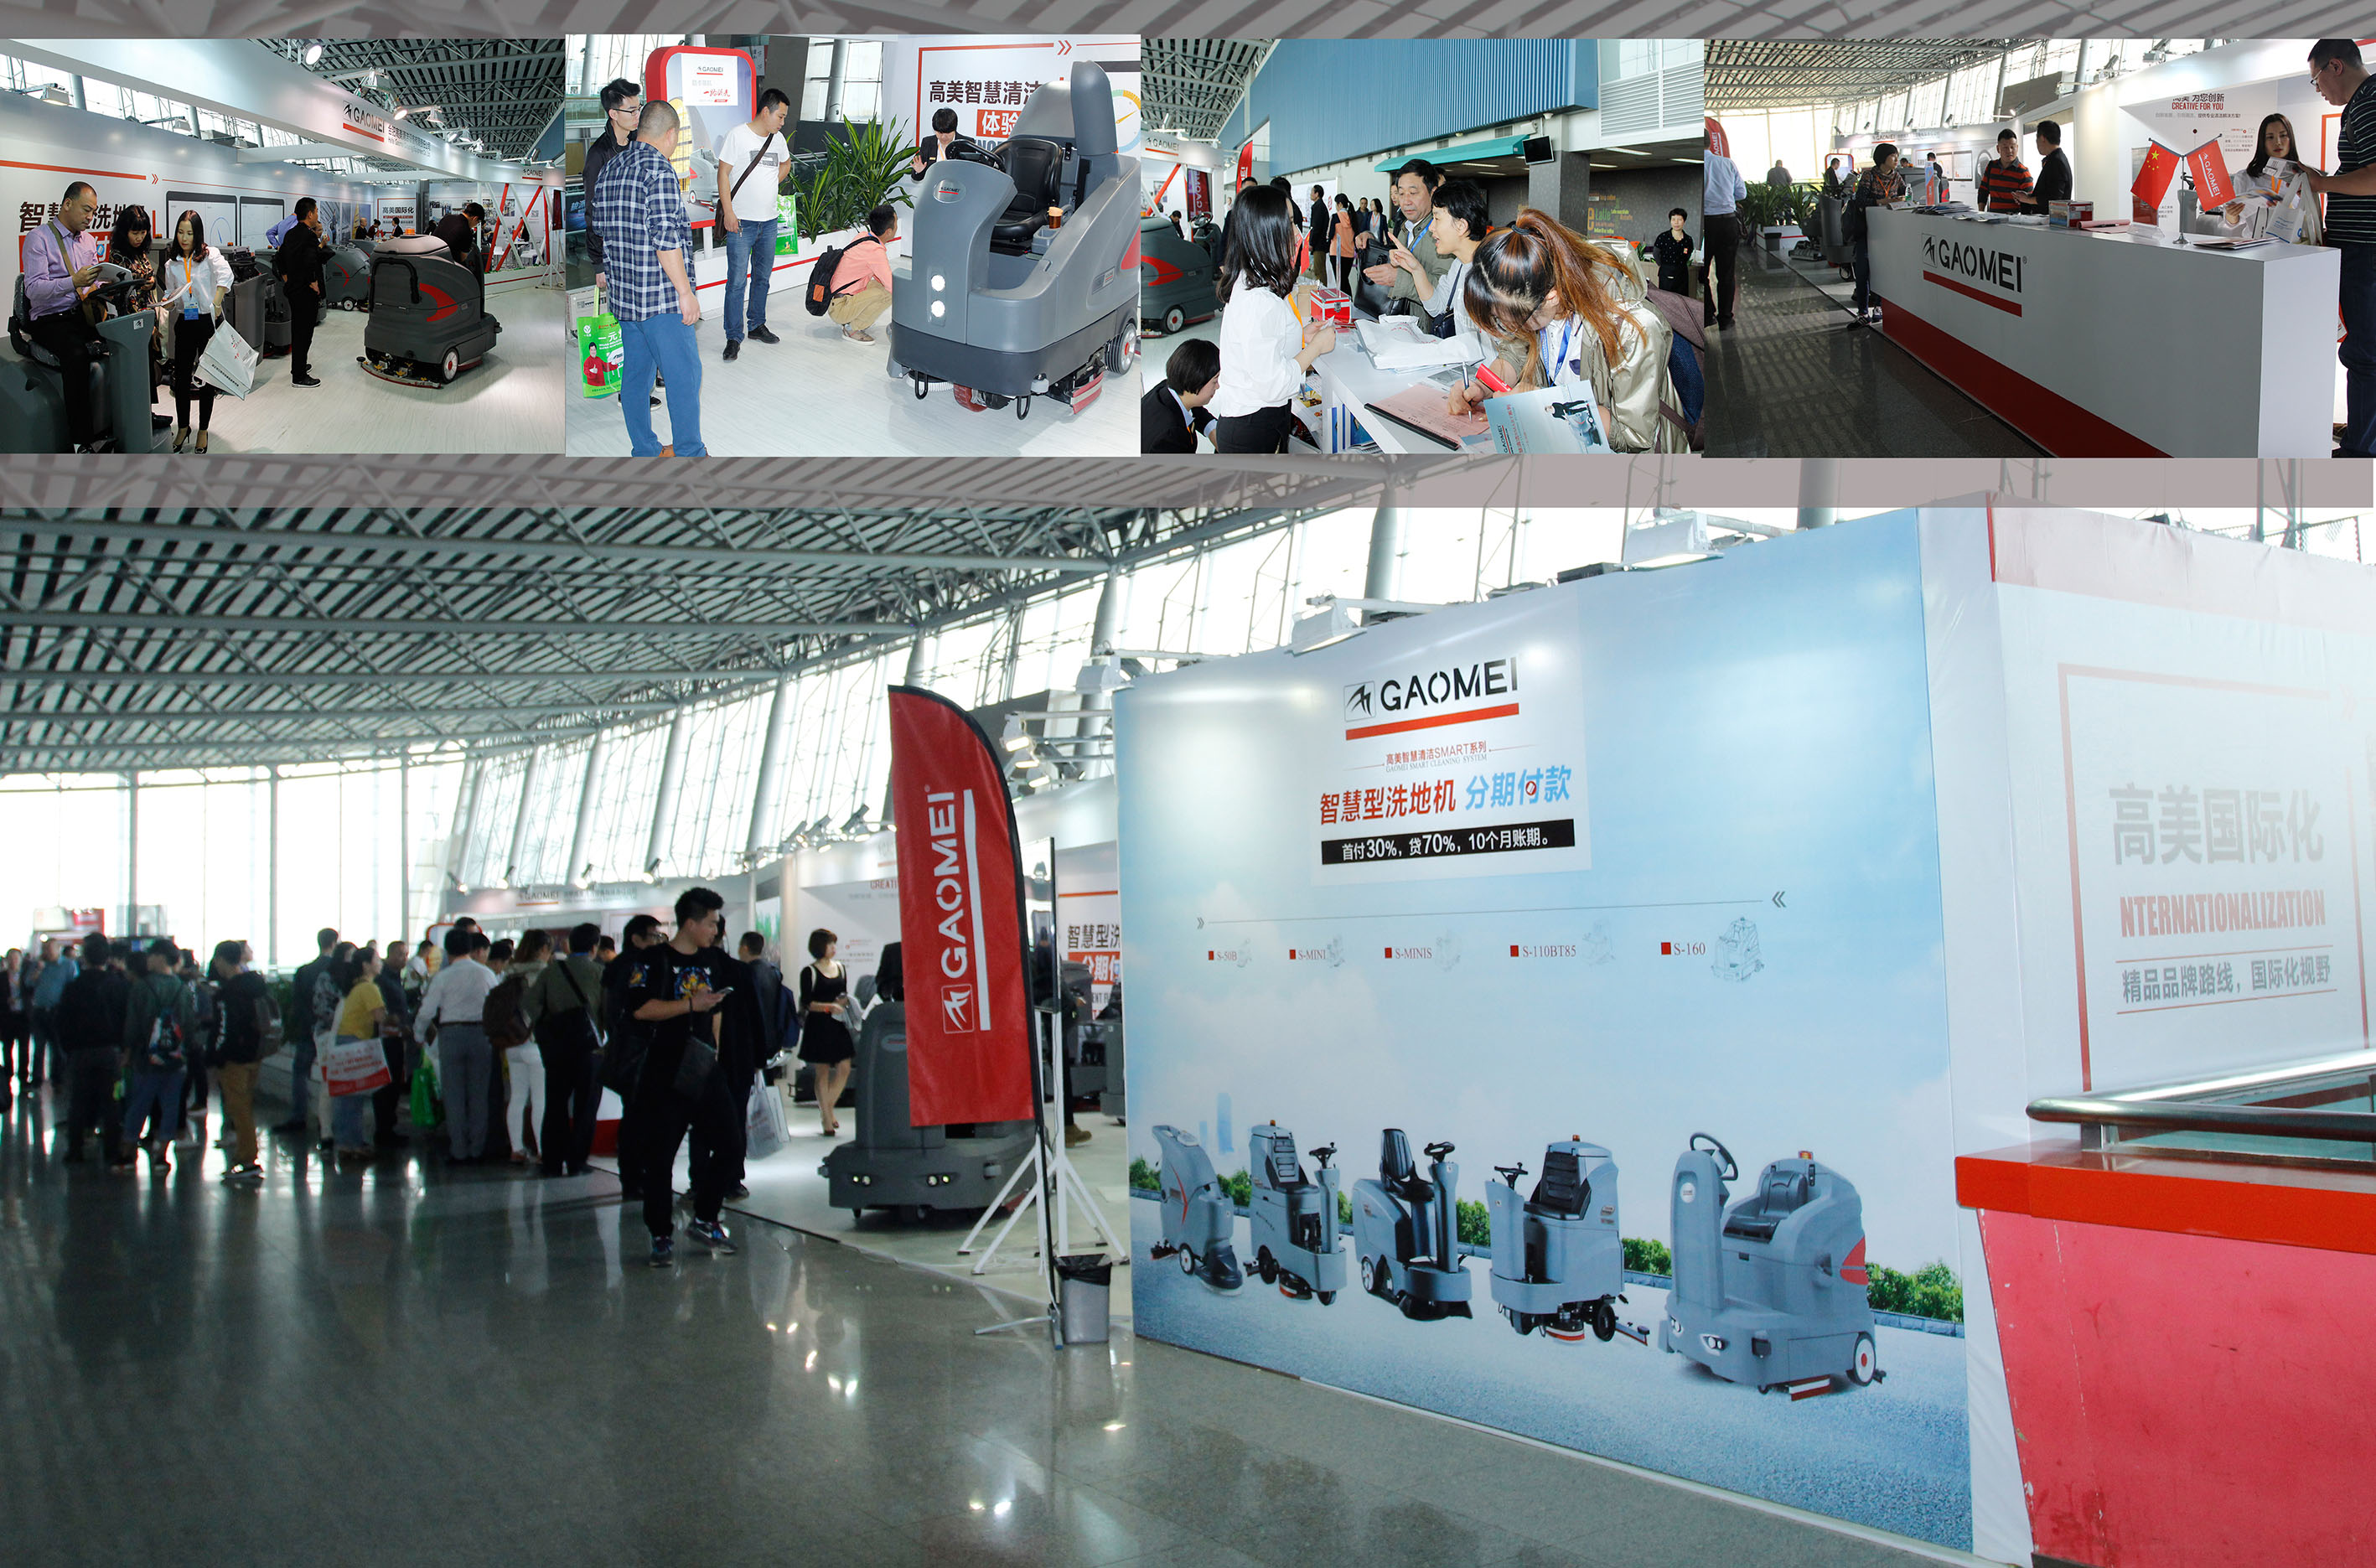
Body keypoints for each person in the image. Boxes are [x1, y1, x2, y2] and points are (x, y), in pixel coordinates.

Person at [1447, 209, 1679, 453]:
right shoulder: (1536, 294)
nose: (1510, 330)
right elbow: (1514, 353)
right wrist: (1482, 387)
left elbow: (1634, 435)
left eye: (1512, 323)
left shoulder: (1634, 328)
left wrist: (1546, 405)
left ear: (1551, 297)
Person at [623, 887, 742, 1266]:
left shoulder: (714, 960)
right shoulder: (652, 960)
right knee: (660, 1156)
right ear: (690, 923)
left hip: (704, 1066)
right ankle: (661, 1234)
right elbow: (641, 1010)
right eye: (711, 923)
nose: (716, 930)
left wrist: (715, 1049)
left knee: (731, 1144)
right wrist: (691, 1004)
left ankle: (705, 1217)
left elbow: (717, 1009)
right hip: (664, 1067)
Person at [589, 98, 705, 457]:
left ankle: (645, 450)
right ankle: (690, 452)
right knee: (685, 376)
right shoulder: (659, 170)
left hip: (625, 299)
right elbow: (665, 238)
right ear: (670, 134)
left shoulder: (611, 168)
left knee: (636, 379)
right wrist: (685, 293)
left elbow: (600, 229)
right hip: (661, 300)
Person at [1209, 184, 1335, 453]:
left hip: (1252, 420)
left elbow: (1262, 346)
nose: (1297, 233)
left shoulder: (1254, 277)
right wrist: (1315, 348)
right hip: (1254, 426)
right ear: (1268, 230)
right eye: (1289, 223)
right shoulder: (1259, 300)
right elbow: (1274, 384)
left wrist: (1302, 336)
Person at [2305, 40, 2376, 456]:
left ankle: (2360, 452)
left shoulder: (2369, 103)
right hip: (2359, 249)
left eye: (2316, 80)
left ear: (2335, 66)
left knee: (2364, 354)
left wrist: (2322, 183)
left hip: (2366, 250)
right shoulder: (2361, 104)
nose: (2318, 89)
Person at [583, 77, 663, 411]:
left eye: (639, 107)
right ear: (613, 113)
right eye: (631, 110)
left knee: (647, 320)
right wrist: (599, 263)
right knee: (627, 327)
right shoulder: (599, 155)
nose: (637, 115)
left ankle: (648, 375)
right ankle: (629, 392)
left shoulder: (637, 146)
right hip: (616, 257)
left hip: (641, 251)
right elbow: (592, 212)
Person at [21, 181, 111, 451]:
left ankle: (135, 417)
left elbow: (92, 281)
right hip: (49, 318)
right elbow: (33, 290)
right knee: (76, 355)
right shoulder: (39, 238)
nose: (90, 217)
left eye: (94, 212)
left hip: (80, 313)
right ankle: (81, 440)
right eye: (86, 210)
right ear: (67, 204)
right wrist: (73, 282)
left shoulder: (88, 241)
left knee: (126, 339)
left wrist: (105, 284)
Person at [525, 923, 606, 1177]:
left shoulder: (552, 971)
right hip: (589, 1050)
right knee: (586, 1107)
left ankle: (552, 1162)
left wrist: (547, 1021)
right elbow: (607, 1009)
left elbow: (530, 1002)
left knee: (555, 1104)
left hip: (557, 1048)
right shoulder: (599, 972)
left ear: (569, 945)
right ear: (594, 947)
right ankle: (577, 1162)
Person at [717, 87, 792, 362]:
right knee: (736, 282)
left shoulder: (778, 139)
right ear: (765, 111)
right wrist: (729, 211)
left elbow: (786, 164)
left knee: (762, 278)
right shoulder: (738, 135)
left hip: (769, 222)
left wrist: (772, 182)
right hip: (741, 223)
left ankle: (757, 325)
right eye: (780, 117)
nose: (782, 123)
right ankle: (733, 336)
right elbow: (723, 173)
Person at [416, 927, 499, 1162]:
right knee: (479, 1095)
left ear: (447, 951)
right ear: (471, 949)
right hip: (481, 1035)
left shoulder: (442, 977)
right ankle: (477, 1149)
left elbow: (427, 1011)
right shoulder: (486, 974)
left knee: (453, 1095)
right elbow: (496, 1006)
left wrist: (418, 1035)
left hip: (451, 1035)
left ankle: (459, 1150)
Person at [117, 939, 194, 1173]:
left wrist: (127, 1052)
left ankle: (127, 1153)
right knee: (171, 1106)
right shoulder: (182, 988)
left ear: (160, 957)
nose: (147, 960)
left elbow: (132, 1025)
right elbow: (189, 1025)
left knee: (139, 1103)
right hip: (175, 1058)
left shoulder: (142, 987)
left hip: (146, 1058)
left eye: (151, 955)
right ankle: (162, 1155)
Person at [161, 210, 234, 454]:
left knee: (206, 378)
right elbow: (170, 294)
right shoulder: (171, 263)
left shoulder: (209, 255)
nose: (184, 238)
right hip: (185, 321)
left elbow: (226, 275)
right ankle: (183, 427)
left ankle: (203, 430)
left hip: (206, 322)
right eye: (180, 232)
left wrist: (216, 301)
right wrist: (167, 303)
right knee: (181, 379)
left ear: (198, 234)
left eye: (190, 233)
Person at [604, 913, 665, 1198]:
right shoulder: (638, 966)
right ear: (636, 938)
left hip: (625, 1047)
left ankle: (632, 1177)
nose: (657, 941)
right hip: (639, 1048)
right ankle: (636, 1177)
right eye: (653, 936)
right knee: (640, 1116)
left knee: (634, 1114)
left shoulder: (616, 965)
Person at [55, 936, 129, 1164]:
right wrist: (123, 1048)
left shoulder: (73, 987)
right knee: (112, 1101)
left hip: (80, 1052)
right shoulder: (119, 985)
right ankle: (112, 1150)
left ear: (84, 957)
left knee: (78, 1101)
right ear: (108, 958)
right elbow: (126, 1019)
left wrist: (69, 1048)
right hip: (110, 1052)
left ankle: (75, 1149)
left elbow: (62, 1022)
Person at [99, 204, 170, 438]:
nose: (139, 237)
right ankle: (137, 417)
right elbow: (121, 290)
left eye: (142, 232)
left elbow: (148, 276)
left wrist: (150, 283)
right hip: (129, 321)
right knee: (136, 370)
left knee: (146, 367)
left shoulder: (140, 251)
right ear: (124, 231)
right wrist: (143, 286)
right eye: (134, 233)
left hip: (145, 317)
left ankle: (147, 413)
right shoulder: (118, 255)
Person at [2222, 113, 2322, 244]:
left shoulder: (2303, 177)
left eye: (2283, 135)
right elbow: (2234, 222)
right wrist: (2231, 215)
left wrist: (2287, 207)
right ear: (2262, 142)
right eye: (2270, 137)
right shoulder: (2245, 177)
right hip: (2254, 246)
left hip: (2292, 247)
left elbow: (2310, 217)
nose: (2278, 142)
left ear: (2291, 139)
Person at [499, 929, 551, 1165]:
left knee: (517, 1096)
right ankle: (542, 1150)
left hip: (513, 1041)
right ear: (543, 949)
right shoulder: (544, 973)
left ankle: (517, 1149)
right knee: (540, 1099)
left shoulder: (509, 973)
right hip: (535, 1042)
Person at [795, 929, 855, 1136]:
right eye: (830, 944)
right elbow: (807, 1002)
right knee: (822, 1071)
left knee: (844, 1067)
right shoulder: (809, 972)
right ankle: (827, 1119)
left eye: (834, 944)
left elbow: (843, 994)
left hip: (838, 1024)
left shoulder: (840, 968)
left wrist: (843, 1002)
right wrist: (829, 1007)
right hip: (819, 1025)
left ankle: (826, 1109)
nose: (833, 948)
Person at [278, 927, 337, 1135]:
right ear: (334, 943)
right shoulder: (338, 970)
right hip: (331, 1030)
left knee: (300, 1072)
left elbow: (297, 1003)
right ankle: (329, 1119)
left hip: (307, 1029)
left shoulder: (304, 971)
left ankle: (299, 1116)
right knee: (333, 1074)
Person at [1364, 159, 1444, 312]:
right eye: (1401, 193)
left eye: (1413, 193)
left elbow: (1444, 293)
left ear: (1433, 193)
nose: (1406, 201)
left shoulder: (1443, 233)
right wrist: (1370, 237)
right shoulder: (1405, 229)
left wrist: (1399, 278)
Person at [1846, 143, 1907, 324]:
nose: (1896, 160)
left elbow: (1905, 195)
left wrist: (1901, 200)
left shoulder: (1896, 177)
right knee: (1863, 271)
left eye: (1897, 156)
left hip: (1886, 231)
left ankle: (1879, 306)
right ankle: (1863, 312)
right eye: (1893, 156)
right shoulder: (1869, 176)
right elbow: (1860, 201)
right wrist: (1884, 201)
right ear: (1882, 158)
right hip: (1866, 230)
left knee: (1883, 270)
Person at [1422, 179, 1493, 331]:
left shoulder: (1494, 273)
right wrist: (1416, 270)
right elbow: (1438, 307)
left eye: (1437, 218)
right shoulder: (1459, 265)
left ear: (1461, 226)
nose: (1431, 227)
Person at [273, 197, 327, 387]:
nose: (317, 215)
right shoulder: (309, 236)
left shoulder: (291, 234)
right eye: (316, 211)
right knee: (305, 332)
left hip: (293, 290)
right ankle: (299, 376)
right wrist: (314, 282)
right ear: (310, 214)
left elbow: (279, 258)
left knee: (298, 330)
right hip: (305, 292)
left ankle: (299, 365)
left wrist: (287, 278)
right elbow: (311, 261)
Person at [826, 204, 898, 344]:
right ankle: (852, 328)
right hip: (841, 308)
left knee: (881, 286)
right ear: (889, 231)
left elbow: (881, 278)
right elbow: (893, 287)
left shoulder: (864, 237)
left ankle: (854, 319)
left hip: (837, 300)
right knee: (889, 293)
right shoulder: (875, 251)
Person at [1141, 336, 1219, 453]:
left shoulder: (1166, 389)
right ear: (1196, 381)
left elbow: (1196, 411)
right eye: (1215, 381)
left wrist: (1212, 429)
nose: (1218, 386)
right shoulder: (1169, 437)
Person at [1702, 143, 1747, 329]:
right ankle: (1726, 319)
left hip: (1706, 225)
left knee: (1702, 273)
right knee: (1726, 274)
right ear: (1709, 143)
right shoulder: (1727, 163)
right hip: (1728, 223)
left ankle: (1708, 314)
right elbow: (1741, 194)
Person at [28, 936, 75, 1091]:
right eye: (45, 949)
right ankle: (36, 1079)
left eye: (50, 948)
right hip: (40, 1010)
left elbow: (73, 985)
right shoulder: (39, 965)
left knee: (58, 1047)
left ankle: (57, 1079)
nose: (47, 952)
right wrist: (38, 970)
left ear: (57, 949)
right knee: (39, 1047)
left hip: (57, 1011)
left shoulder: (68, 965)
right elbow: (29, 983)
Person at [908, 105, 977, 179]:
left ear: (954, 129)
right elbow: (917, 177)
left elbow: (972, 175)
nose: (943, 137)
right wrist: (920, 171)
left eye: (948, 133)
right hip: (934, 185)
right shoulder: (928, 142)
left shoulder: (967, 144)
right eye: (940, 133)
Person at [1979, 129, 2033, 214]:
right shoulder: (1991, 167)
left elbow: (2029, 203)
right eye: (2005, 147)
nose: (2010, 151)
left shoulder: (2023, 173)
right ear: (1998, 149)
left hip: (2012, 220)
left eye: (2012, 147)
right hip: (1992, 218)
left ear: (2017, 147)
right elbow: (1983, 191)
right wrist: (1981, 213)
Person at [1651, 207, 1694, 297]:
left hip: (1682, 273)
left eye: (1679, 220)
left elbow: (1688, 255)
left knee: (1682, 298)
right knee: (1666, 298)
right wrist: (1663, 266)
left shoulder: (1688, 239)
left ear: (1684, 221)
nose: (1676, 222)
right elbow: (1656, 254)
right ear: (1670, 221)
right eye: (1673, 219)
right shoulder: (1663, 237)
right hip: (1666, 272)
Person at [0, 949, 24, 1107]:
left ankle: (23, 1076)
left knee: (24, 1047)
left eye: (16, 958)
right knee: (7, 1047)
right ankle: (8, 1075)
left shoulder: (26, 977)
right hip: (7, 1016)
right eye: (11, 958)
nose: (14, 961)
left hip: (23, 1017)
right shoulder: (2, 977)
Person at [431, 202, 486, 268]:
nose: (476, 225)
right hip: (448, 266)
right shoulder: (467, 231)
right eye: (478, 222)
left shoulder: (447, 218)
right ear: (475, 218)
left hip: (431, 259)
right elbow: (462, 258)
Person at [1328, 193, 1358, 292]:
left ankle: (1345, 300)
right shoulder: (1353, 217)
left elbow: (1330, 235)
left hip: (1336, 253)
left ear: (1340, 204)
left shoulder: (1335, 217)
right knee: (1345, 280)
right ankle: (1349, 299)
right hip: (1349, 254)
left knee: (1340, 282)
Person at [1307, 185, 1330, 278]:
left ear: (1317, 194)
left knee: (1319, 271)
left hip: (1319, 245)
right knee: (1318, 270)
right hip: (1319, 244)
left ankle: (1321, 288)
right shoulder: (1319, 206)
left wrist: (1311, 243)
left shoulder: (1319, 207)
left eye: (1312, 192)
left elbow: (1316, 227)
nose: (1310, 194)